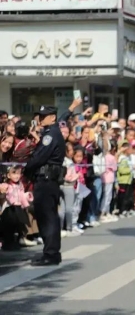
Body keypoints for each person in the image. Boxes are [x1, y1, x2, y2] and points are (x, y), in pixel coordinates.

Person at [24, 105, 66, 266]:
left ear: (53, 117)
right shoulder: (51, 133)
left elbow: (40, 157)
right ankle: (51, 252)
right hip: (48, 180)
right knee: (48, 217)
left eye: (44, 116)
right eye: (40, 116)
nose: (40, 119)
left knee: (47, 218)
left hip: (46, 180)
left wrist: (27, 170)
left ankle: (51, 254)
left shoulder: (51, 135)